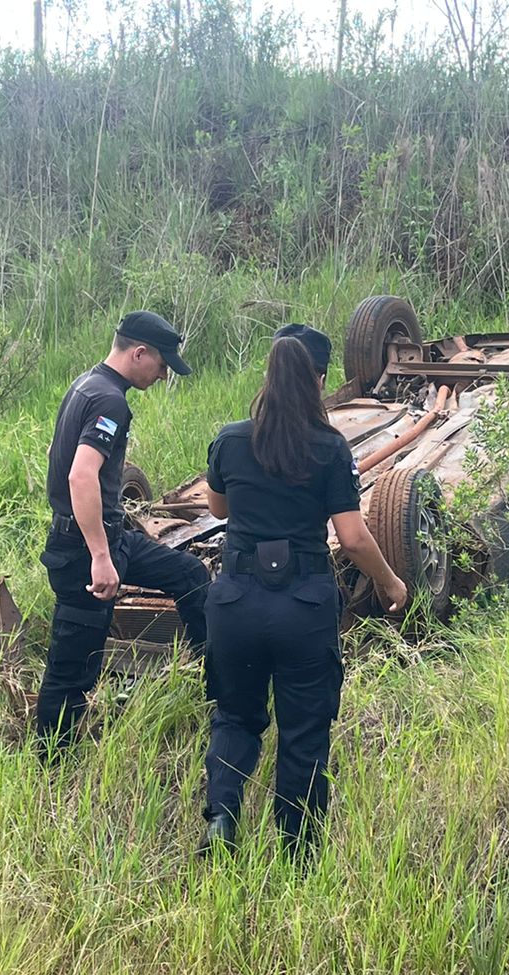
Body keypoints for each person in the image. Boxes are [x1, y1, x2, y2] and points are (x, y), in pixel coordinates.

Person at [199, 324, 409, 859]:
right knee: (304, 728)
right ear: (317, 384)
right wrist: (390, 582)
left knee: (234, 716)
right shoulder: (329, 449)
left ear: (267, 380)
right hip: (303, 606)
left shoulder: (229, 439)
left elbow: (217, 509)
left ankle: (222, 817)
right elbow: (354, 537)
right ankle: (298, 851)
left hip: (236, 603)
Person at [34, 310, 211, 753]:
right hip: (83, 551)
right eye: (162, 364)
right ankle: (51, 761)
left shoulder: (85, 384)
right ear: (138, 353)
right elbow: (79, 476)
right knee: (73, 665)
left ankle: (219, 686)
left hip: (110, 537)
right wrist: (98, 555)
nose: (163, 373)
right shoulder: (110, 400)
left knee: (190, 575)